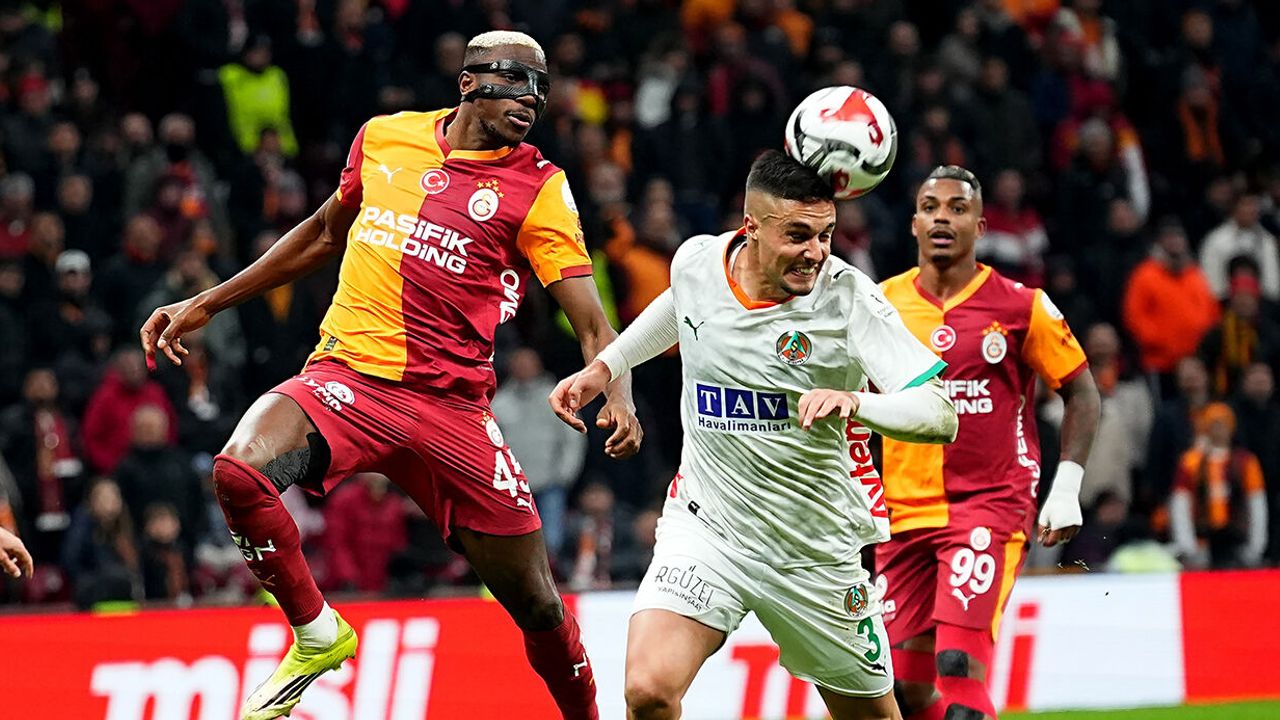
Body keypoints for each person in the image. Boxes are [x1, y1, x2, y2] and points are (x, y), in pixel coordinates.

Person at [139, 31, 641, 720]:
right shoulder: (384, 138)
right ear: (468, 83)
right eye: (515, 80)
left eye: (541, 89)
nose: (531, 99)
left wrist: (618, 387)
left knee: (537, 603)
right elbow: (323, 233)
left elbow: (591, 322)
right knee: (237, 471)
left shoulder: (540, 187)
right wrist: (206, 303)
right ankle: (317, 633)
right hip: (349, 380)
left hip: (452, 411)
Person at [551, 151, 958, 720]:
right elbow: (679, 306)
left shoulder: (848, 297)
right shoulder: (697, 262)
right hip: (708, 529)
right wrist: (607, 365)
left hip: (812, 550)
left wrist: (857, 402)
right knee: (648, 691)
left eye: (825, 235)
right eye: (798, 235)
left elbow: (941, 414)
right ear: (751, 227)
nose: (816, 252)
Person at [877, 166, 1101, 720]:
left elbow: (1082, 392)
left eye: (957, 208)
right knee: (902, 691)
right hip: (900, 515)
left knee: (957, 666)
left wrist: (1066, 486)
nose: (942, 218)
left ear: (980, 226)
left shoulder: (1021, 306)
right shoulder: (880, 305)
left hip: (989, 504)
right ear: (913, 224)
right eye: (930, 207)